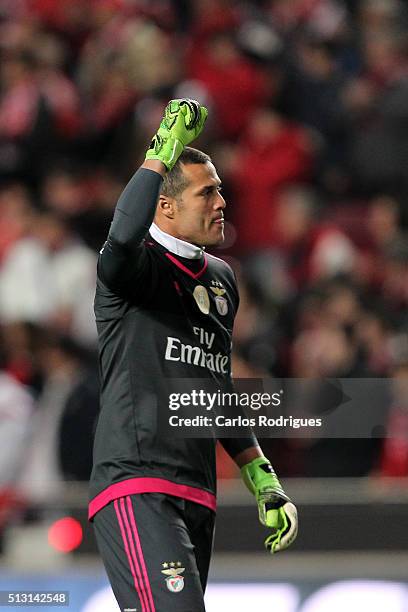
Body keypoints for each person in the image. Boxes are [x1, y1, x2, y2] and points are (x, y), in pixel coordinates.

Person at [89, 99, 298, 611]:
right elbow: (119, 239)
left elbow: (216, 391)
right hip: (138, 483)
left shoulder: (223, 281)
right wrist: (161, 150)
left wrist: (261, 477)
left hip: (198, 493)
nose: (221, 202)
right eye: (207, 193)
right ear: (166, 207)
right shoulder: (135, 269)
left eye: (221, 190)